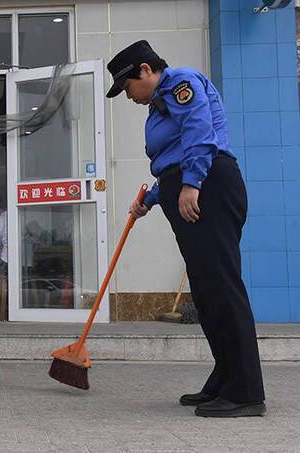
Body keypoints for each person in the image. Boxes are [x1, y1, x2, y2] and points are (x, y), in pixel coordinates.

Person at [106, 40, 265, 417]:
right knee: (208, 293)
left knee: (223, 286)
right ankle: (225, 380)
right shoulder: (159, 106)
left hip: (209, 186)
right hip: (188, 188)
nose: (128, 96)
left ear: (145, 70)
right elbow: (171, 159)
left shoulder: (181, 82)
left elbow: (200, 133)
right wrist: (154, 196)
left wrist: (192, 183)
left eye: (127, 87)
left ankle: (246, 392)